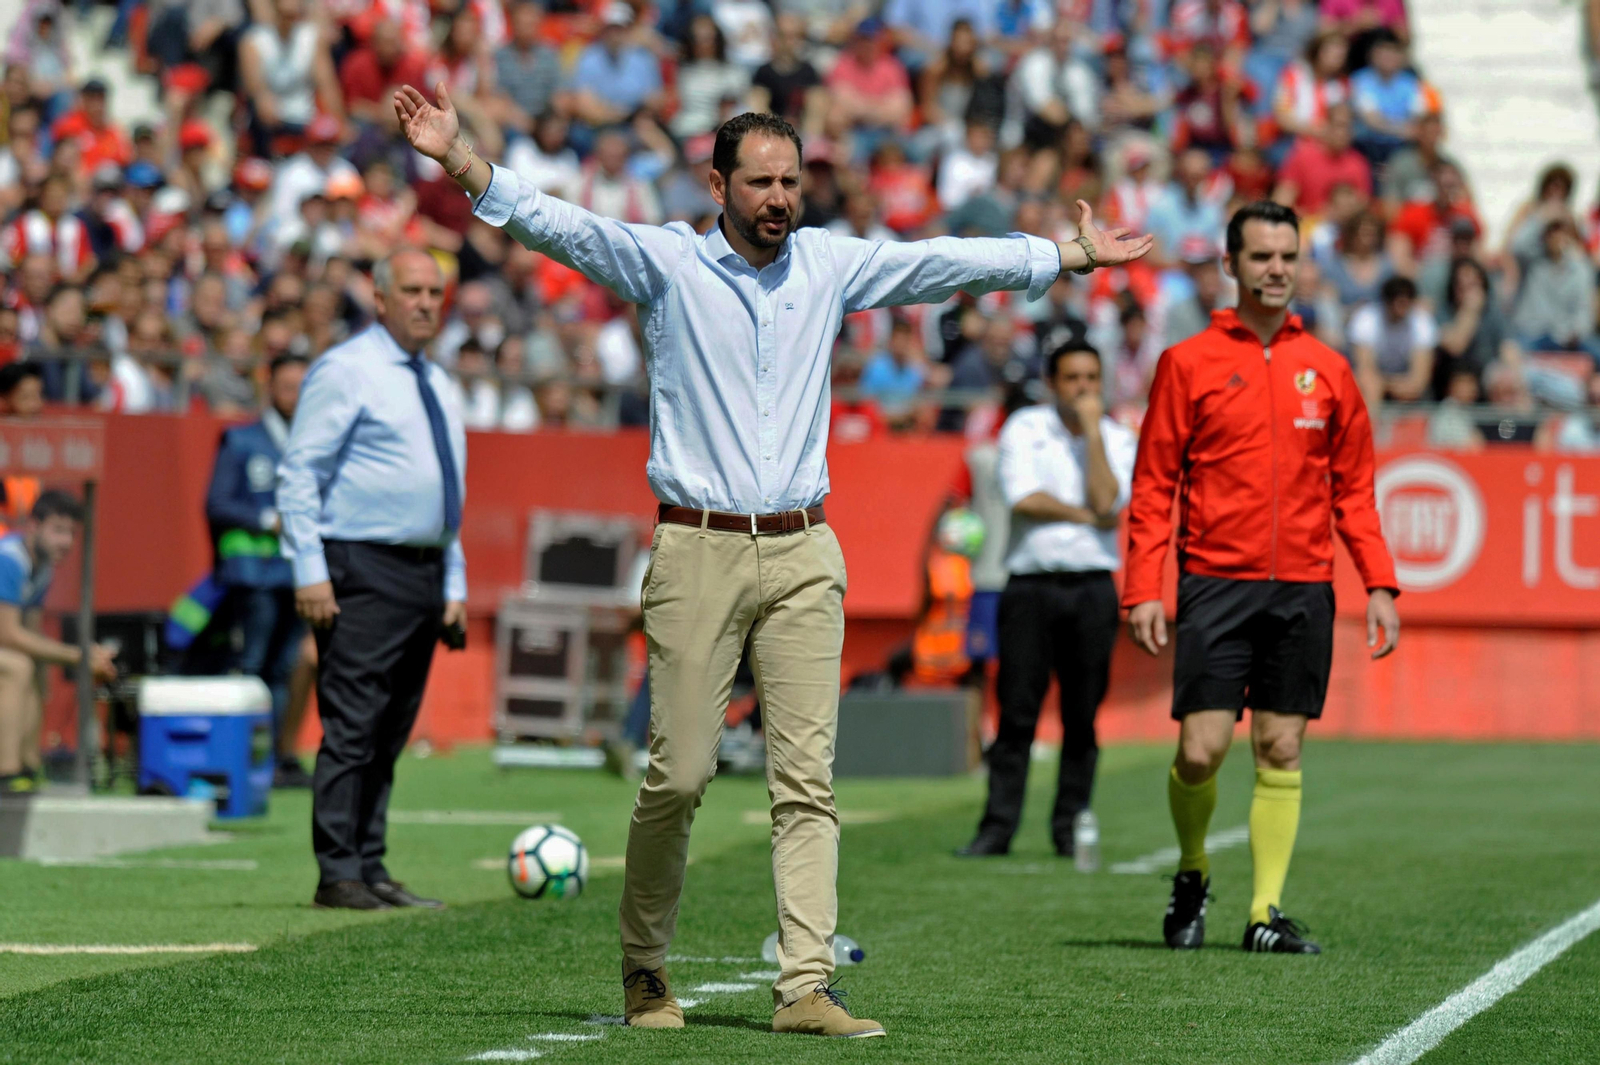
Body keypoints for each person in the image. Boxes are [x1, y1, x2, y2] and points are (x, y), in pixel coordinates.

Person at [392, 82, 1151, 1034]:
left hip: (803, 549)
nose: (779, 197)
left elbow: (938, 262)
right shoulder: (667, 261)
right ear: (718, 184)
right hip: (696, 545)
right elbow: (559, 225)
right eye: (760, 182)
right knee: (679, 773)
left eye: (790, 180)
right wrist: (461, 160)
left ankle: (804, 984)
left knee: (808, 782)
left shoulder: (827, 264)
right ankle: (644, 967)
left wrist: (1065, 254)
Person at [1124, 201, 1399, 955]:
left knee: (1281, 749)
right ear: (1230, 264)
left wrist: (1379, 581)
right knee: (1201, 752)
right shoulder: (1187, 363)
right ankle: (1191, 870)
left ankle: (1264, 912)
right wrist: (1144, 584)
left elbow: (1355, 490)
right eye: (1260, 257)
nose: (1275, 269)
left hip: (1304, 586)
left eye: (1287, 256)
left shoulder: (1333, 370)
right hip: (1214, 582)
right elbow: (1153, 485)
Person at [276, 249, 468, 912]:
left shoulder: (438, 381)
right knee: (354, 723)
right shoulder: (347, 370)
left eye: (434, 291)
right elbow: (299, 473)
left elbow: (448, 492)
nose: (424, 302)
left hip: (421, 568)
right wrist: (309, 568)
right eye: (411, 289)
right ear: (380, 299)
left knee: (390, 728)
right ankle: (338, 870)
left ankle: (371, 862)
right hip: (359, 563)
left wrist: (454, 581)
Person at [957, 341, 1135, 858]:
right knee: (1016, 713)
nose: (1083, 388)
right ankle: (996, 829)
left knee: (1083, 718)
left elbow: (1108, 501)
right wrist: (1088, 518)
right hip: (1031, 585)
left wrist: (1094, 432)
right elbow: (1025, 499)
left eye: (1091, 378)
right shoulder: (1024, 428)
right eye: (1073, 378)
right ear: (1053, 383)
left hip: (1093, 585)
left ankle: (1068, 828)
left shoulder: (1117, 437)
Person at [205, 355, 314, 788]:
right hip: (254, 576)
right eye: (288, 386)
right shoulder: (242, 440)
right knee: (253, 665)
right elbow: (218, 503)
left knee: (286, 669)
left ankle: (276, 759)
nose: (296, 396)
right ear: (271, 387)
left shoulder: (314, 444)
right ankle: (242, 758)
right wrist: (270, 520)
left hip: (297, 574)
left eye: (303, 388)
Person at [0, 491, 118, 791]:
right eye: (57, 530)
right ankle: (7, 772)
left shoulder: (42, 568)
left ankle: (28, 765)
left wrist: (88, 656)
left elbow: (32, 633)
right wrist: (78, 656)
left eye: (71, 533)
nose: (65, 542)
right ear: (33, 526)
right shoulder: (9, 560)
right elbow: (9, 634)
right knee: (16, 667)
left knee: (36, 669)